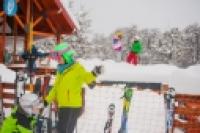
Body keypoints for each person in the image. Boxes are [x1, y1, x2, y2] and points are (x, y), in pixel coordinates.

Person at [44, 42, 102, 133]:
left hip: (73, 106)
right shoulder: (60, 70)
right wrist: (46, 101)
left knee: (64, 130)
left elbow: (87, 77)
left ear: (67, 56)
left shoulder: (77, 68)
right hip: (63, 106)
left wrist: (95, 73)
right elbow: (55, 88)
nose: (57, 60)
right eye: (56, 58)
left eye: (59, 57)